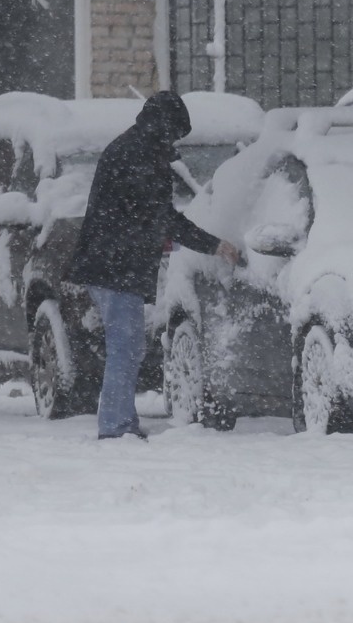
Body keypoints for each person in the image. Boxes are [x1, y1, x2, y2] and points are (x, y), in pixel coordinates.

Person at [65, 91, 239, 440]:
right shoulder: (140, 157)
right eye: (174, 132)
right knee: (125, 347)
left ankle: (121, 422)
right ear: (164, 126)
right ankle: (115, 426)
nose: (175, 140)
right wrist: (214, 245)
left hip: (109, 262)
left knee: (128, 346)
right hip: (115, 266)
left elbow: (146, 215)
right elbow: (162, 217)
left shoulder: (133, 148)